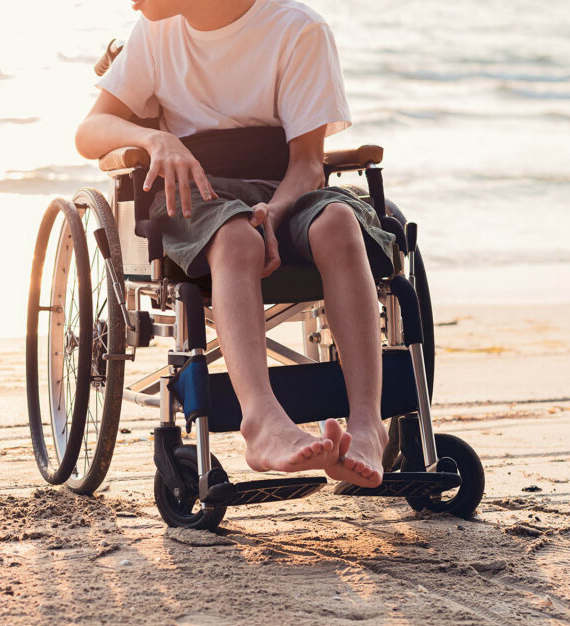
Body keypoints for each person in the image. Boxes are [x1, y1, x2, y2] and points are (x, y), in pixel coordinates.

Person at [75, 0, 398, 488]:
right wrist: (154, 140)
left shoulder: (297, 29)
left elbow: (308, 163)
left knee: (338, 222)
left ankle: (367, 425)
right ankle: (262, 422)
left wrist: (277, 211)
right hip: (196, 194)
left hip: (283, 187)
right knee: (235, 238)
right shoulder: (153, 33)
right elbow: (89, 131)